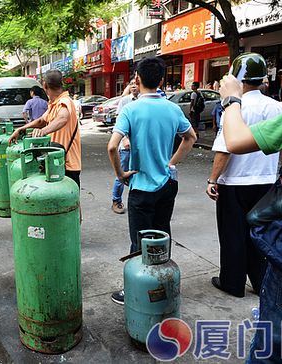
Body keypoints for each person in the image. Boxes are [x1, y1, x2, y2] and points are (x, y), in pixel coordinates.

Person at [219, 74, 282, 364]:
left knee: (273, 353)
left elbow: (234, 141)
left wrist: (231, 99)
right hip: (265, 187)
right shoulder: (279, 106)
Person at [107, 57, 196, 305]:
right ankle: (162, 285)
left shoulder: (130, 110)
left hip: (141, 187)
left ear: (137, 79)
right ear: (161, 81)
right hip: (167, 185)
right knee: (162, 233)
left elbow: (113, 147)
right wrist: (172, 162)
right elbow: (190, 137)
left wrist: (120, 174)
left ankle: (137, 290)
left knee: (139, 240)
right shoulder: (172, 108)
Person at [206, 53, 282, 299]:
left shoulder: (235, 107)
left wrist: (213, 180)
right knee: (260, 232)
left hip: (234, 183)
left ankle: (233, 282)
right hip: (265, 181)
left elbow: (225, 147)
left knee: (233, 233)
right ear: (262, 78)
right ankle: (260, 280)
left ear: (238, 79)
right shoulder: (278, 106)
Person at [8, 69, 81, 187]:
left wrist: (43, 131)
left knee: (70, 202)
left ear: (45, 85)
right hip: (55, 162)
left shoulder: (64, 101)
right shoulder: (54, 103)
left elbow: (62, 118)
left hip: (68, 164)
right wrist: (21, 129)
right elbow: (42, 120)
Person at [111, 80, 139, 214]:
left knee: (139, 173)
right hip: (126, 146)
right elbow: (119, 124)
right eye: (131, 83)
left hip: (139, 147)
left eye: (136, 83)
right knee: (121, 174)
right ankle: (116, 200)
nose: (134, 86)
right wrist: (125, 138)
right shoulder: (125, 101)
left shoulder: (144, 102)